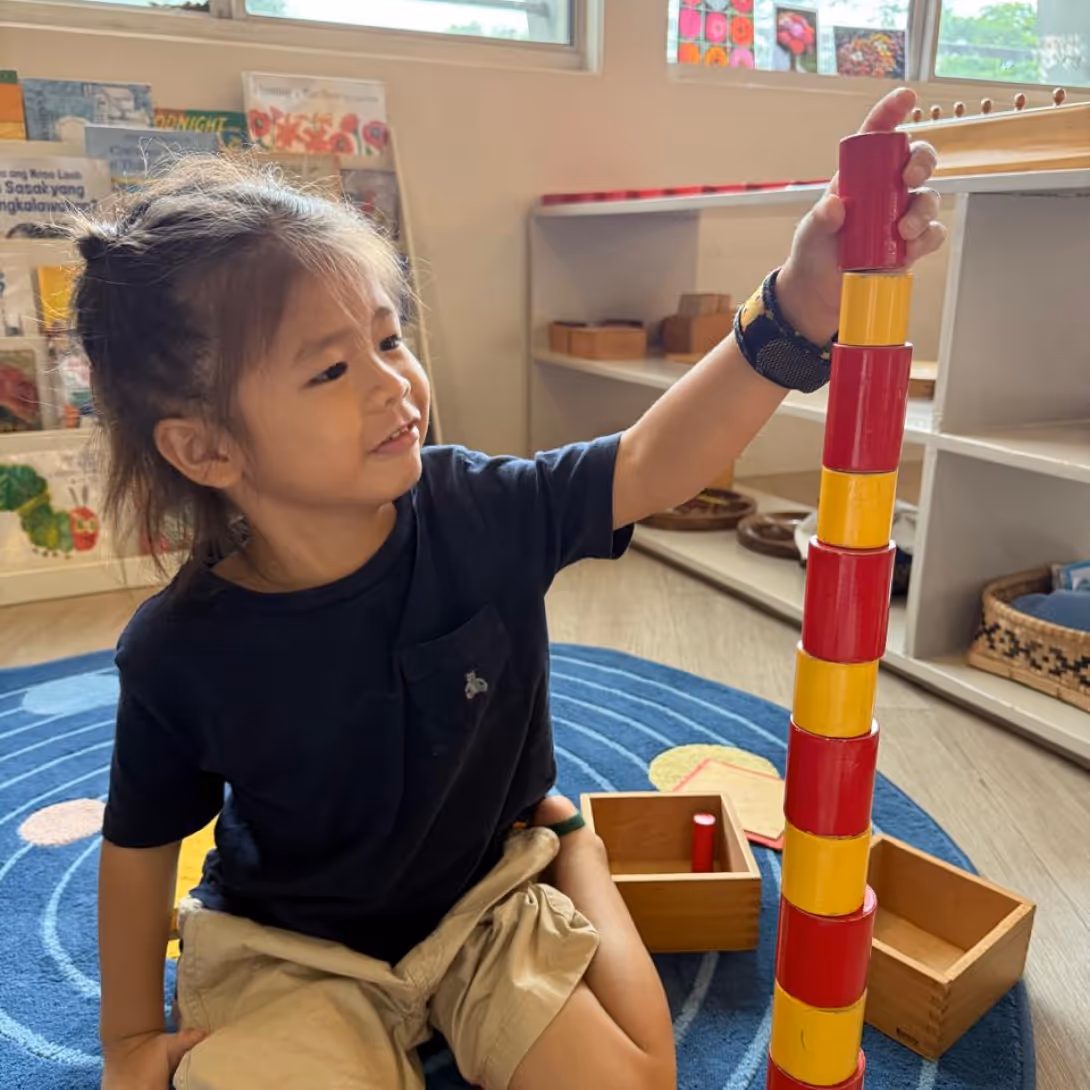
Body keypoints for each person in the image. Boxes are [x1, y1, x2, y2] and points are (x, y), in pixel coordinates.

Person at [87, 87, 942, 1090]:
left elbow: (654, 463)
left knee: (637, 1080)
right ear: (206, 446)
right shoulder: (178, 650)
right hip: (291, 949)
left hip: (486, 901)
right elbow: (139, 850)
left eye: (390, 336)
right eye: (329, 369)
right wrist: (126, 1037)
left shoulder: (478, 507)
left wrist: (793, 313)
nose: (391, 383)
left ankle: (569, 841)